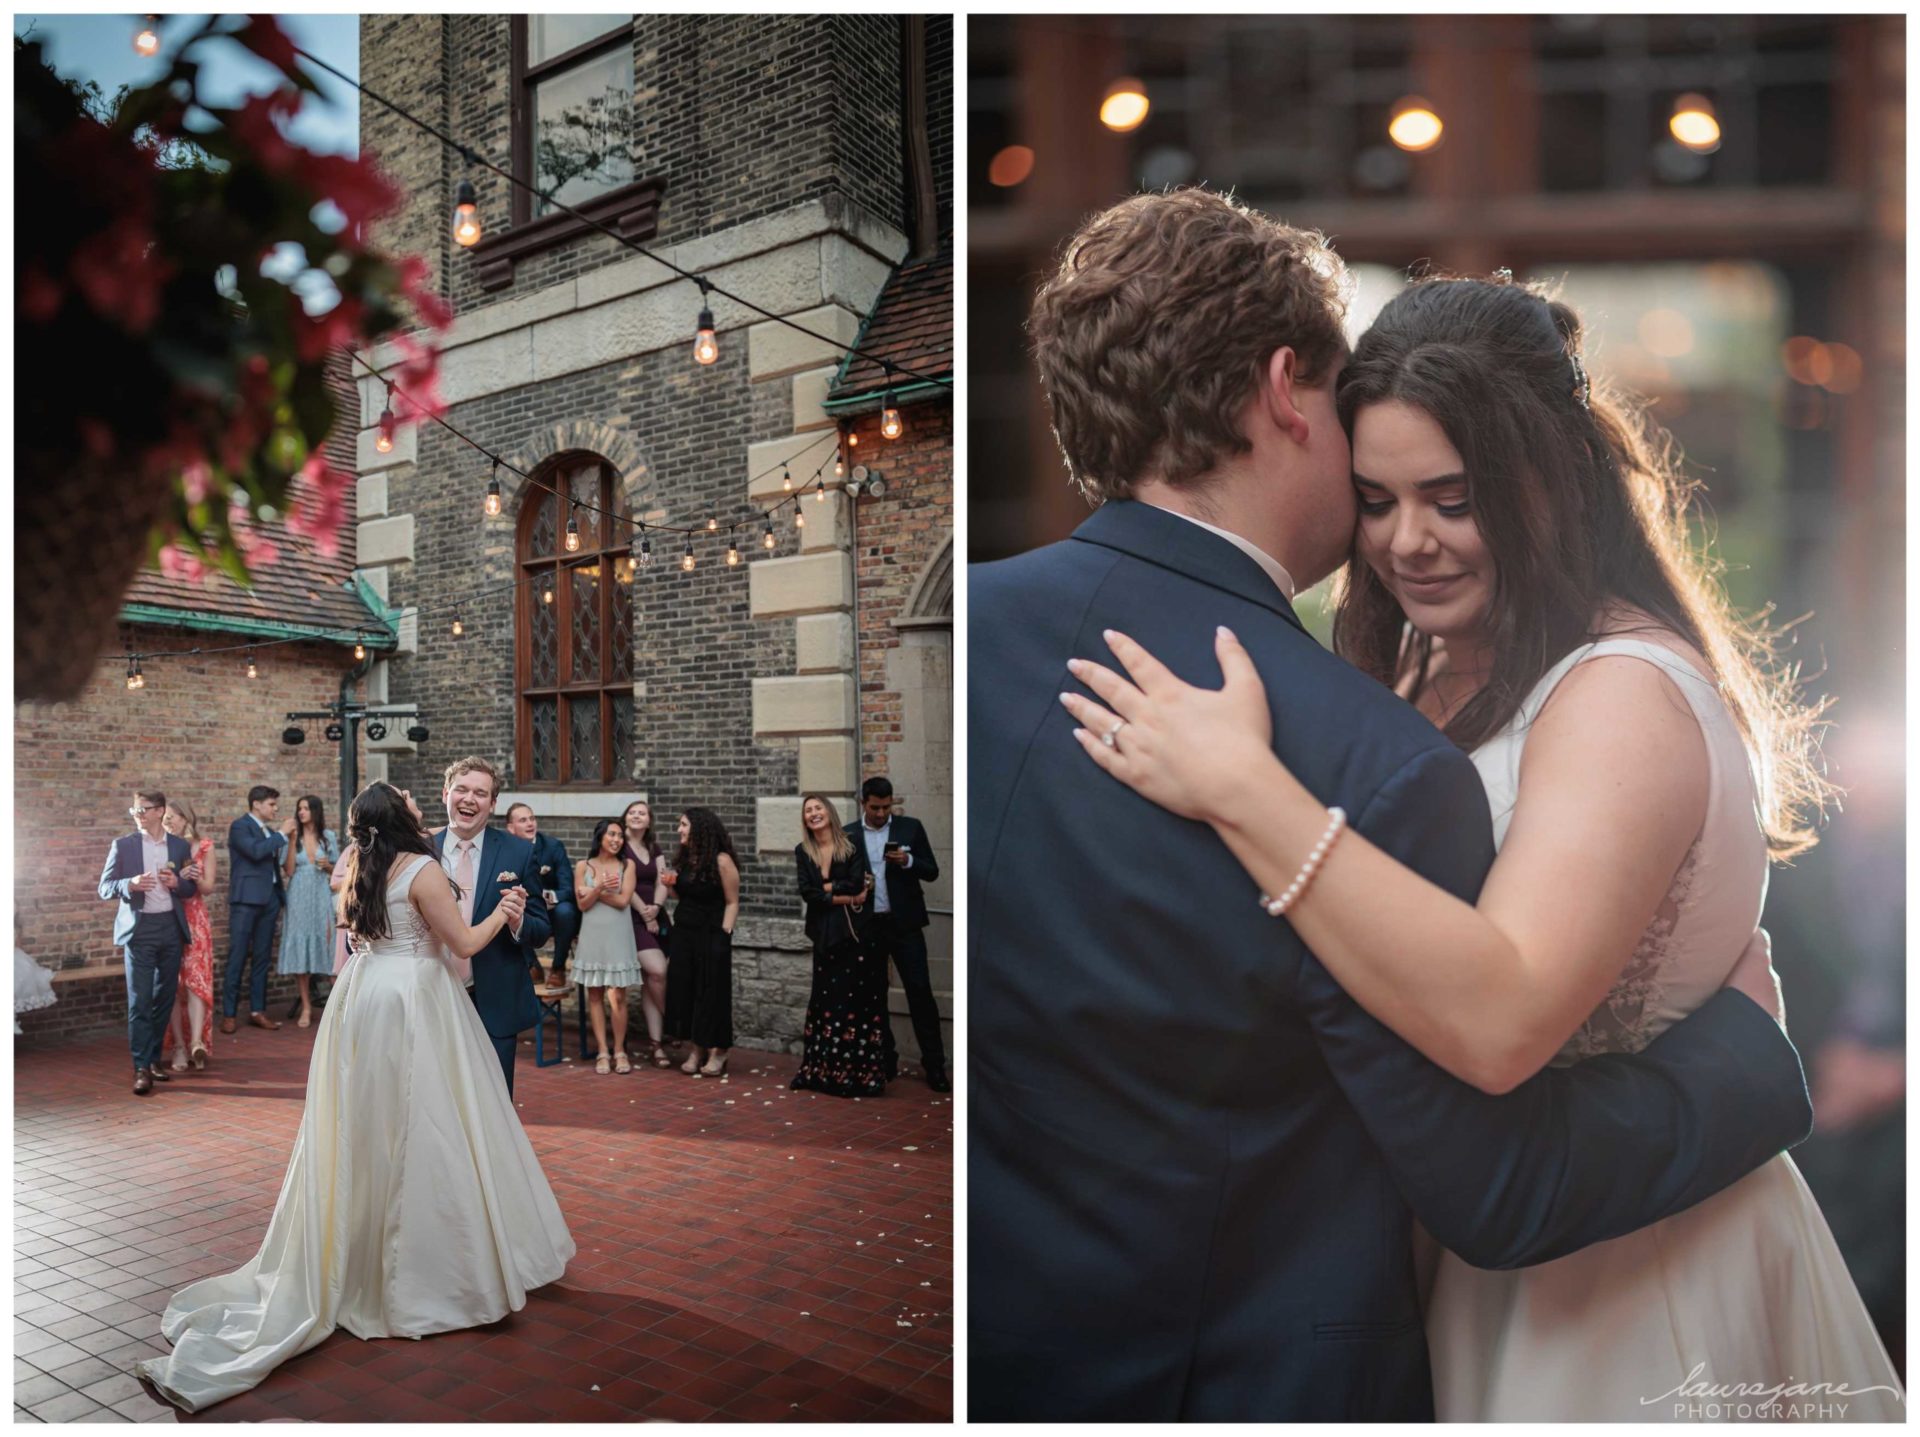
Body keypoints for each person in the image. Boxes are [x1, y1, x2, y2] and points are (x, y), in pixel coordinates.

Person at [970, 189, 1818, 1422]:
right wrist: (1745, 1066)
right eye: (1380, 497)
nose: (1407, 540)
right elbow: (1492, 1174)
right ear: (1282, 390)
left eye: (1452, 497)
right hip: (1265, 1356)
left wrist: (1249, 787)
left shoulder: (986, 633)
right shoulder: (1364, 734)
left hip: (1613, 1303)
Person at [134, 781, 574, 1412]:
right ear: (401, 817)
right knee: (424, 1125)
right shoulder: (421, 868)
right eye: (413, 803)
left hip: (365, 999)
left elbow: (358, 934)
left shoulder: (364, 866)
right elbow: (464, 944)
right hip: (412, 1001)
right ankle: (416, 1272)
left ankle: (356, 1246)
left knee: (364, 1130)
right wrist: (502, 914)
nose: (423, 806)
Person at [429, 757, 549, 1096]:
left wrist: (518, 921)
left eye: (480, 793)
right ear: (445, 794)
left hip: (493, 1000)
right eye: (461, 790)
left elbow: (541, 930)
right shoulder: (419, 849)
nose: (469, 799)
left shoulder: (519, 852)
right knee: (433, 1101)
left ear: (492, 804)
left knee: (493, 1105)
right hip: (430, 997)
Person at [98, 788, 201, 1096]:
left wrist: (178, 883)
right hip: (139, 931)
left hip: (170, 928)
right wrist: (128, 884)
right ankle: (141, 1067)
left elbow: (190, 889)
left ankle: (155, 1058)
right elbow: (104, 887)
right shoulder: (123, 846)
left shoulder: (178, 845)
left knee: (164, 996)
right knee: (140, 1000)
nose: (138, 815)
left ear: (159, 811)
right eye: (135, 811)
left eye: (143, 809)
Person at [850, 777, 947, 1092]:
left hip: (905, 924)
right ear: (863, 803)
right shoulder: (849, 834)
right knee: (873, 995)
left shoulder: (910, 828)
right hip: (870, 925)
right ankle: (885, 1059)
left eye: (886, 807)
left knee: (920, 992)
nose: (881, 813)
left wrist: (907, 861)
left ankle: (934, 1065)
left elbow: (931, 871)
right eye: (875, 807)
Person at [792, 795, 886, 1097]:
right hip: (823, 934)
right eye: (808, 810)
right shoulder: (803, 851)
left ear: (829, 813)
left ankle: (855, 1075)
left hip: (854, 935)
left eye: (818, 808)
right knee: (825, 1000)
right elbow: (809, 894)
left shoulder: (852, 844)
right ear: (805, 819)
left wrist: (829, 888)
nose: (813, 813)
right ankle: (821, 1072)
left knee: (855, 1001)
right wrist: (845, 895)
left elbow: (858, 881)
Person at [661, 807, 738, 1077]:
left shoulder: (722, 860)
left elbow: (732, 901)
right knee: (688, 991)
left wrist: (724, 935)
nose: (679, 829)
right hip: (684, 933)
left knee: (712, 992)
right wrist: (670, 884)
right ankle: (697, 1047)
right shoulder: (686, 859)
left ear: (699, 828)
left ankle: (719, 1050)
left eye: (683, 824)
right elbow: (684, 896)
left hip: (712, 933)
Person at [572, 819, 640, 1075]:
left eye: (620, 836)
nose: (616, 839)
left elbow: (623, 901)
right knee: (595, 995)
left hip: (618, 935)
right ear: (600, 836)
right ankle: (602, 1050)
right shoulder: (583, 866)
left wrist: (591, 891)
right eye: (612, 834)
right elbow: (581, 906)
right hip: (592, 935)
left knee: (619, 996)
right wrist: (599, 887)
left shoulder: (627, 865)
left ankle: (620, 1050)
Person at [159, 798, 216, 1071]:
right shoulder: (159, 847)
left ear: (186, 819)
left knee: (195, 982)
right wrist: (176, 877)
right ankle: (178, 1047)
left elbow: (207, 888)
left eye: (173, 817)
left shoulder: (203, 847)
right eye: (166, 817)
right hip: (169, 917)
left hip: (195, 920)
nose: (169, 821)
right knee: (173, 984)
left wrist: (192, 877)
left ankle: (197, 1043)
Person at [224, 785, 287, 1033]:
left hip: (270, 900)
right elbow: (255, 851)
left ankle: (257, 1010)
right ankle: (229, 1014)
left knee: (262, 958)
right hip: (245, 901)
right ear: (257, 804)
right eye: (271, 804)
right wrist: (281, 835)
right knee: (237, 956)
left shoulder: (269, 831)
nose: (275, 808)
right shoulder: (240, 826)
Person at [277, 795, 338, 1028]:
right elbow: (289, 871)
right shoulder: (294, 838)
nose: (301, 812)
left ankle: (336, 1006)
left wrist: (329, 866)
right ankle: (306, 1006)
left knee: (327, 943)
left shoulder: (328, 837)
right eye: (299, 808)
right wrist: (292, 840)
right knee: (300, 946)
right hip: (298, 894)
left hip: (321, 892)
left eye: (306, 808)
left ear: (315, 810)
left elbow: (338, 872)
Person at [504, 803, 576, 993]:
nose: (530, 823)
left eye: (532, 818)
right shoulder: (506, 851)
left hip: (554, 912)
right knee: (511, 909)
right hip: (526, 910)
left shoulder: (553, 847)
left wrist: (550, 897)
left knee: (566, 910)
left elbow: (568, 888)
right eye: (523, 820)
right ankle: (532, 965)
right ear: (511, 828)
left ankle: (558, 968)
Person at [621, 799, 671, 1067]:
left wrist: (657, 907)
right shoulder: (621, 846)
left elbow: (662, 880)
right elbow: (623, 885)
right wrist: (644, 912)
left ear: (649, 820)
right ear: (625, 817)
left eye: (642, 813)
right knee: (658, 970)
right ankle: (675, 1021)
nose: (637, 816)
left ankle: (657, 1045)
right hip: (633, 917)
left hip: (657, 915)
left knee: (651, 981)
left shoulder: (653, 847)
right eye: (633, 812)